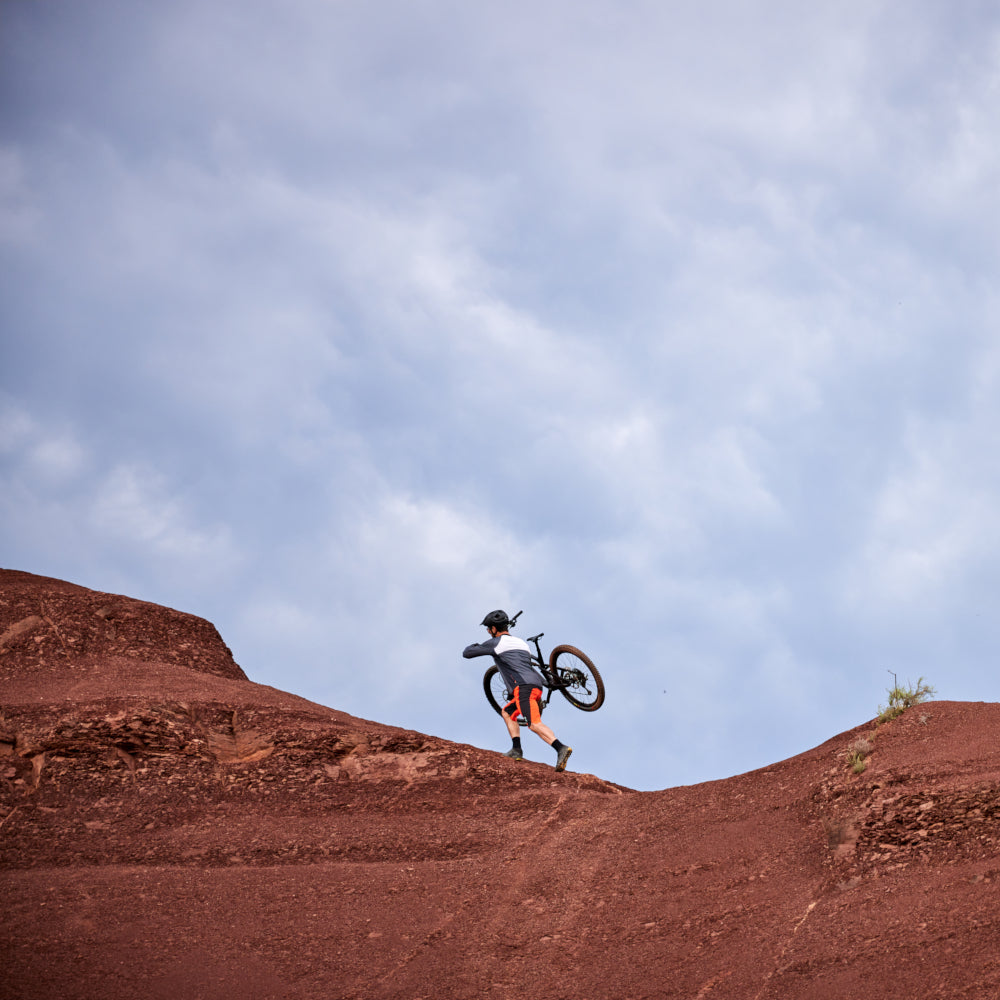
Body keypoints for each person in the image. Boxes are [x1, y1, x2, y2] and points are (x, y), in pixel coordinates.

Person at [463, 610, 573, 772]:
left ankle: (560, 748)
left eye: (488, 628)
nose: (487, 631)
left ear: (494, 629)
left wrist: (477, 644)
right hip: (536, 685)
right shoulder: (521, 643)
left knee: (534, 724)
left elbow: (467, 653)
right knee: (507, 711)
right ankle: (516, 749)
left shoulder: (495, 643)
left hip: (524, 689)